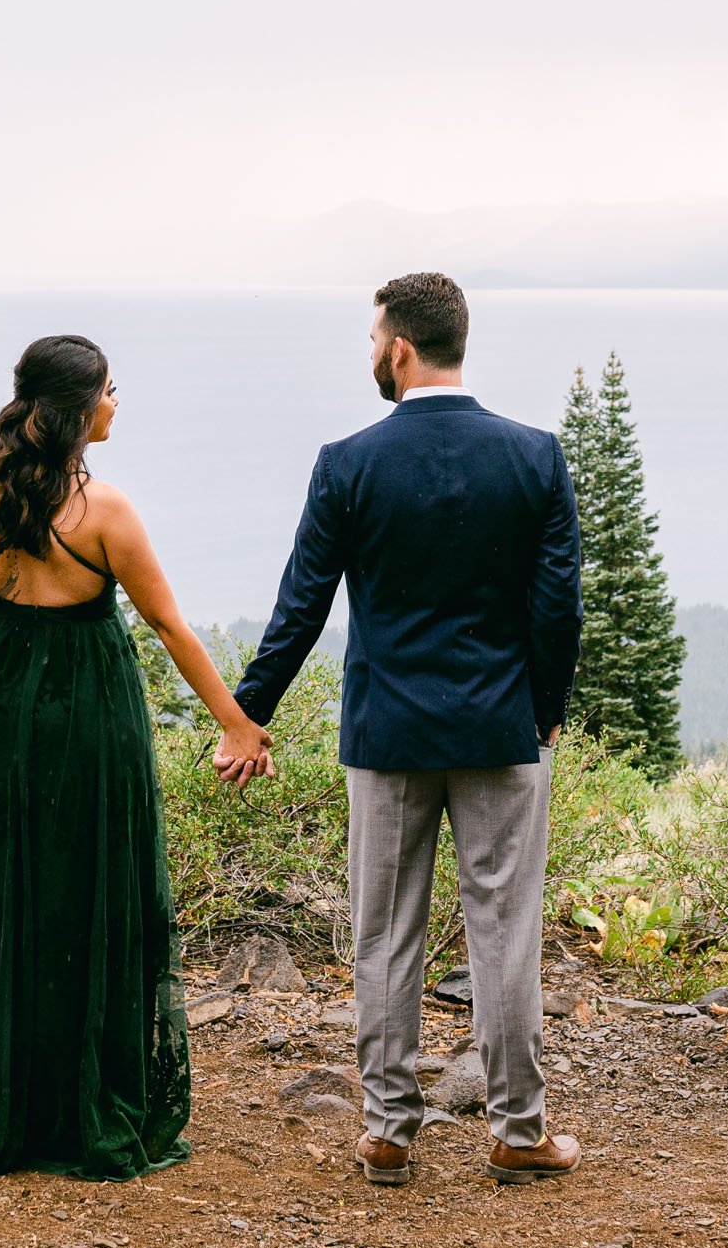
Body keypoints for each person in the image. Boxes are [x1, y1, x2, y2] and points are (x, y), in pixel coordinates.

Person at [0, 334, 272, 1181]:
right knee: (89, 893)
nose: (119, 403)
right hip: (90, 712)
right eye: (112, 391)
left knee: (2, 890)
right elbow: (167, 627)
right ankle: (79, 1100)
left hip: (4, 705)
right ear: (79, 410)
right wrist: (236, 723)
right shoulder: (108, 511)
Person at [220, 272, 585, 1187]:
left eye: (372, 338)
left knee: (385, 933)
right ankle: (519, 1130)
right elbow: (558, 613)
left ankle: (388, 1130)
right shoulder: (534, 456)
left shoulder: (349, 462)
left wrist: (247, 715)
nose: (370, 352)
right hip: (503, 731)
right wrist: (542, 715)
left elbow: (301, 605)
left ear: (400, 349)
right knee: (506, 930)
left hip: (386, 736)